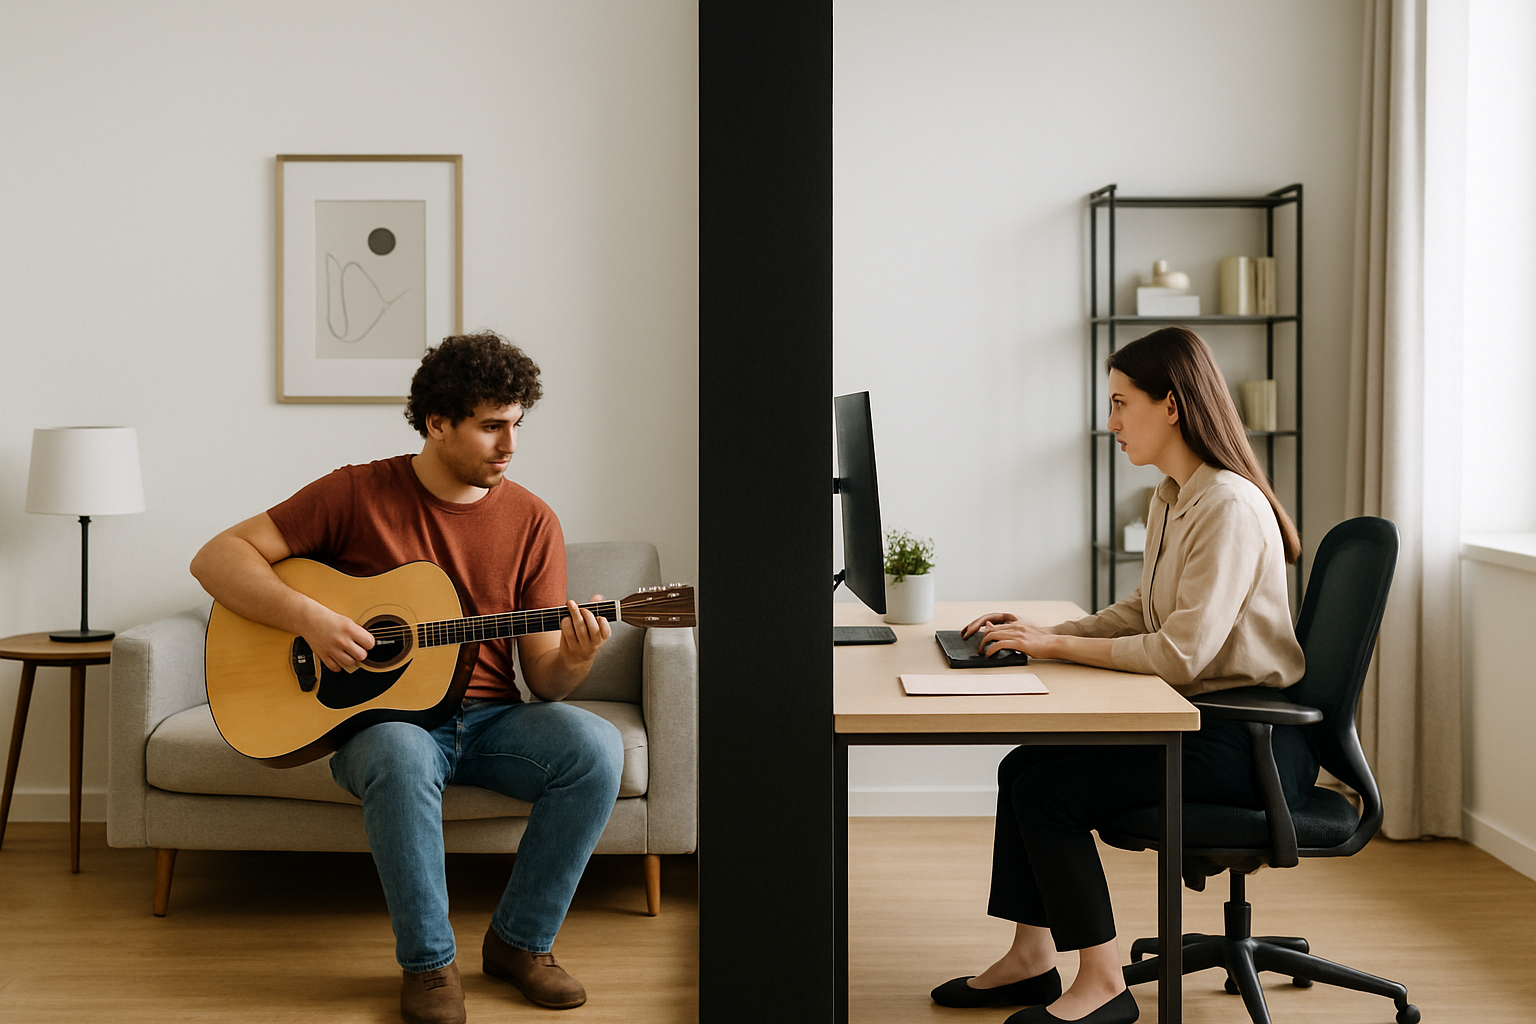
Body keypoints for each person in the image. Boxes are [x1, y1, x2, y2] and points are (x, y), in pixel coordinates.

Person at [190, 332, 624, 1024]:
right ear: (437, 423)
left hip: (491, 719)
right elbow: (218, 558)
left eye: (516, 424)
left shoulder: (533, 520)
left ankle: (521, 945)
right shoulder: (356, 492)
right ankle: (428, 967)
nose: (509, 445)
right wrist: (311, 619)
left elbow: (545, 679)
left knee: (598, 749)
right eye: (490, 426)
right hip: (382, 724)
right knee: (397, 751)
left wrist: (576, 654)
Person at [929, 326, 1315, 1024]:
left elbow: (1179, 654)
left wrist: (1053, 648)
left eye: (1119, 403)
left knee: (1051, 794)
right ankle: (1031, 960)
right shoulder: (1174, 495)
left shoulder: (1227, 505)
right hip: (1207, 720)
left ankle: (1103, 982)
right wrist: (1043, 633)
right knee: (1025, 768)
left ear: (1170, 405)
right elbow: (1146, 610)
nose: (1110, 423)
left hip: (1247, 743)